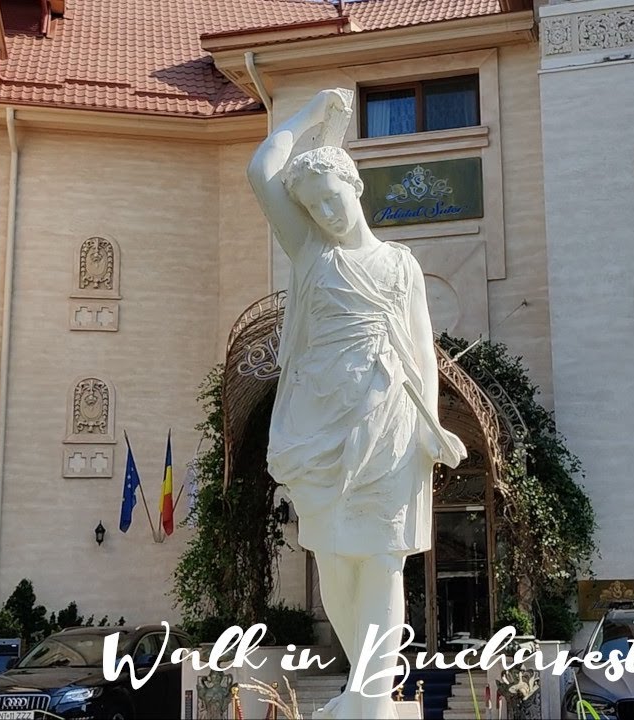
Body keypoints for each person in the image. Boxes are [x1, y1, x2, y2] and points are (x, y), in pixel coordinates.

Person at [248, 88, 466, 719]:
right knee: (335, 563)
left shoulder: (401, 265)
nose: (324, 211)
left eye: (331, 197)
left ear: (356, 187)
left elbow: (421, 355)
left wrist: (434, 430)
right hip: (317, 423)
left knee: (380, 559)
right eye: (312, 205)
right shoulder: (313, 253)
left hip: (388, 420)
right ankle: (362, 690)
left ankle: (370, 702)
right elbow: (262, 169)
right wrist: (311, 116)